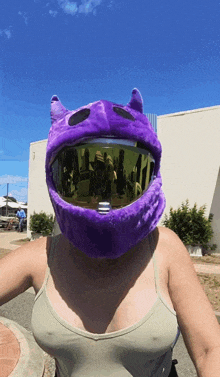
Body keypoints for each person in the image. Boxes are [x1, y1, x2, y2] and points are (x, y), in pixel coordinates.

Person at [1, 89, 220, 377]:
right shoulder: (39, 256)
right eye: (86, 183)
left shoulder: (164, 249)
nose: (103, 201)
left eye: (122, 183)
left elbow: (209, 350)